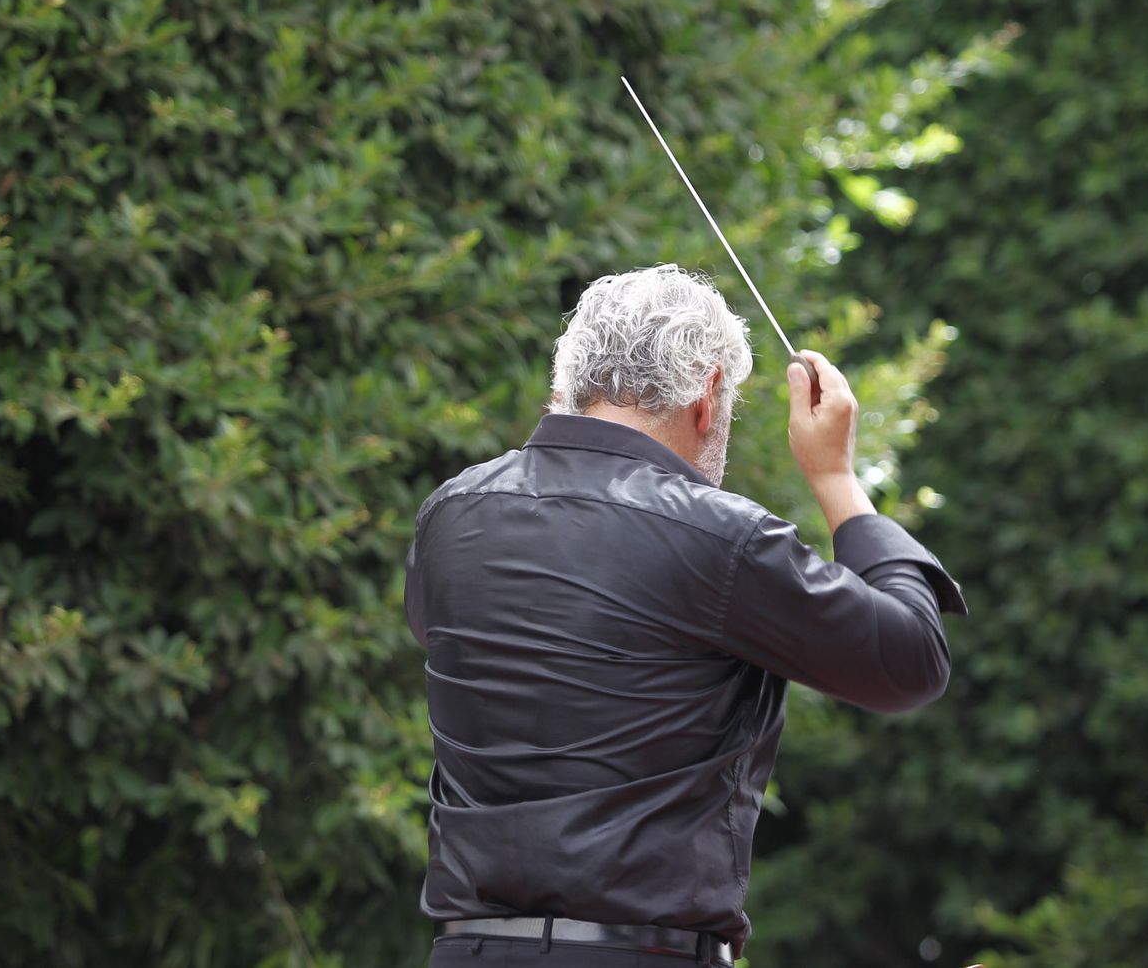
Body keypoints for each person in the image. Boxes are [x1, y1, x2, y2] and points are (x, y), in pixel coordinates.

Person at [405, 264, 968, 966]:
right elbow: (910, 659)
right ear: (707, 395)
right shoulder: (720, 537)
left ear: (569, 382)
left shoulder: (450, 515)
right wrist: (836, 480)